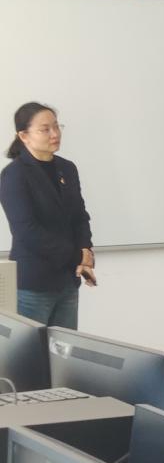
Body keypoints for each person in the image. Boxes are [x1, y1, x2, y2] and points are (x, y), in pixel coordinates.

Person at [0, 102, 95, 328]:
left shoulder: (67, 168)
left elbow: (79, 216)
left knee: (64, 348)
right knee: (30, 351)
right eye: (45, 129)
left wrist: (85, 249)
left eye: (57, 126)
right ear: (24, 136)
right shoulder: (14, 175)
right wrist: (77, 256)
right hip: (33, 284)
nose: (55, 134)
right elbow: (27, 231)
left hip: (67, 281)